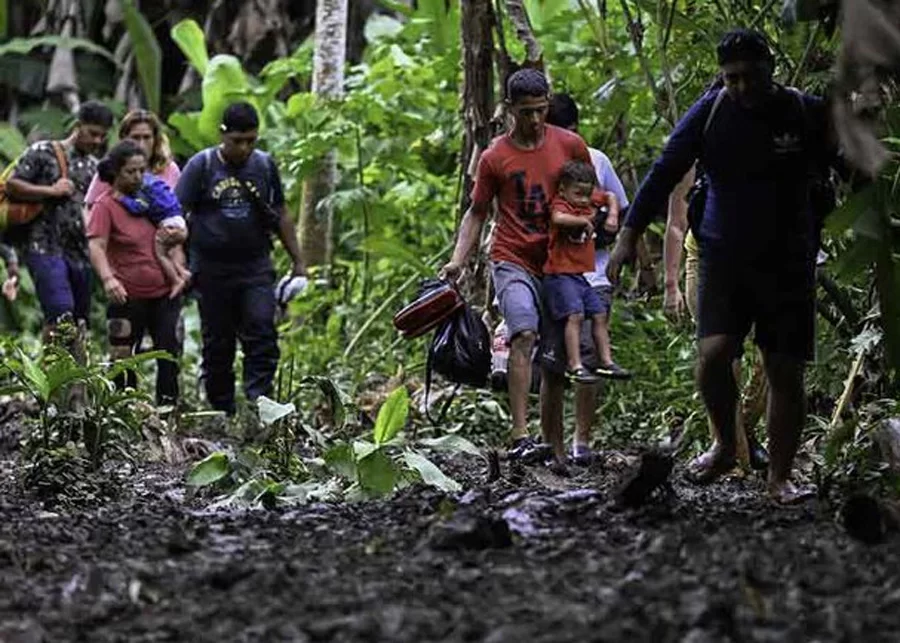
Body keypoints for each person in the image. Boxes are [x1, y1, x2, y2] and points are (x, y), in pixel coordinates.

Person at [608, 29, 838, 504]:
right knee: (714, 354)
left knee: (784, 369)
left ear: (769, 68)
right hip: (722, 254)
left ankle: (779, 477)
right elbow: (665, 170)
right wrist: (628, 236)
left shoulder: (803, 111)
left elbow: (852, 164)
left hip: (789, 259)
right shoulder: (711, 112)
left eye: (749, 76)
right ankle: (724, 444)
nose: (740, 87)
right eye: (731, 78)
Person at [440, 68, 595, 468]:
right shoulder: (495, 157)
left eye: (541, 110)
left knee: (556, 353)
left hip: (558, 262)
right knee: (523, 332)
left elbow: (588, 196)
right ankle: (520, 434)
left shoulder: (571, 146)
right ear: (510, 109)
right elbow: (476, 213)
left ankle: (551, 439)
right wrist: (459, 260)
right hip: (511, 257)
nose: (534, 120)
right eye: (525, 112)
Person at [175, 102, 306, 416]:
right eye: (237, 141)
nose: (244, 148)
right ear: (223, 135)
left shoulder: (264, 165)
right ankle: (222, 408)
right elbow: (176, 217)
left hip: (255, 266)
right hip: (211, 269)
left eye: (251, 140)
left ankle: (259, 403)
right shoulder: (202, 165)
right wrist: (178, 264)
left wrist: (298, 260)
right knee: (218, 341)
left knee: (262, 330)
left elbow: (281, 213)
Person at [663, 164, 769, 473]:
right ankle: (730, 452)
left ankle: (743, 432)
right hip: (706, 257)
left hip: (762, 257)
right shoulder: (693, 156)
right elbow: (676, 222)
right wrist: (671, 284)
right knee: (722, 355)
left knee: (771, 354)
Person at [544, 93, 631, 465]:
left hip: (592, 273)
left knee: (584, 357)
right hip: (554, 272)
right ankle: (555, 440)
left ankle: (577, 440)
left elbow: (623, 210)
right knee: (555, 358)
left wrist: (631, 258)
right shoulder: (538, 164)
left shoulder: (595, 161)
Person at [5, 101, 114, 349]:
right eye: (92, 133)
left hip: (78, 251)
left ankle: (75, 382)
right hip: (42, 244)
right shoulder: (44, 151)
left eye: (102, 136)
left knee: (79, 320)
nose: (97, 141)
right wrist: (50, 191)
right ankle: (52, 381)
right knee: (59, 311)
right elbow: (13, 185)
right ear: (77, 127)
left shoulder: (95, 168)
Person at [86, 140, 182, 405]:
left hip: (163, 293)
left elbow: (171, 231)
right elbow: (96, 245)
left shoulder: (150, 199)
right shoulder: (105, 206)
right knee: (122, 356)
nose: (138, 176)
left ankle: (167, 412)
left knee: (168, 353)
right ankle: (124, 411)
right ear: (116, 173)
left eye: (142, 170)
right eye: (131, 171)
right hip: (127, 295)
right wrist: (108, 279)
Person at [85, 110, 189, 297]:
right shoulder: (112, 171)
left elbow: (177, 209)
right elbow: (91, 212)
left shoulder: (169, 169)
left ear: (155, 139)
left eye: (146, 137)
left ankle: (177, 277)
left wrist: (179, 244)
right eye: (135, 137)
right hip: (126, 269)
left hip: (165, 257)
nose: (141, 144)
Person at [544, 160, 626, 383]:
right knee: (576, 315)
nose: (583, 199)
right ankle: (575, 364)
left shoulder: (588, 198)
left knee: (599, 314)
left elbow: (610, 196)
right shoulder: (561, 204)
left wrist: (612, 216)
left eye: (586, 194)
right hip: (560, 273)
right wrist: (583, 221)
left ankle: (606, 361)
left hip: (580, 276)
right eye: (578, 194)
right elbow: (557, 218)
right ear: (563, 189)